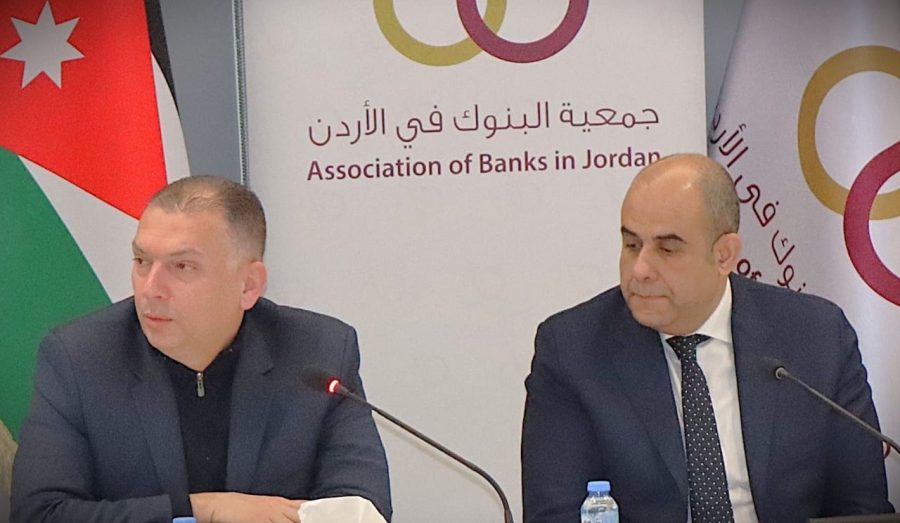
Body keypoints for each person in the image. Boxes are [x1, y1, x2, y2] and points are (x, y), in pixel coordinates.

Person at [521, 154, 894, 522]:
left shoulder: (816, 336)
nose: (640, 270)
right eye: (632, 245)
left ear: (724, 255)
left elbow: (863, 508)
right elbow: (555, 514)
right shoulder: (572, 351)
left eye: (667, 249)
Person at [11, 176, 391, 523]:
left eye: (183, 267)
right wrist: (202, 510)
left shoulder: (319, 352)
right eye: (142, 261)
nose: (151, 289)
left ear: (248, 285)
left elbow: (360, 507)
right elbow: (40, 514)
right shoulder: (79, 358)